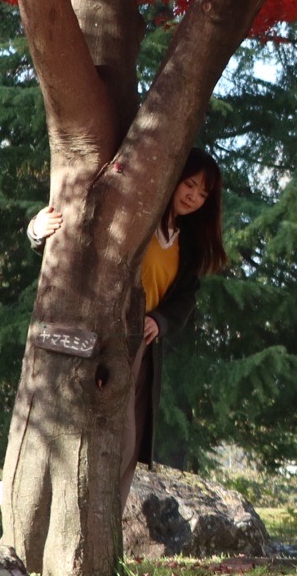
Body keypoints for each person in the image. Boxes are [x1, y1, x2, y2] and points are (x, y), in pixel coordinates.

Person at [20, 149, 227, 494]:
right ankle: (32, 492)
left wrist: (160, 321)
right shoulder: (136, 216)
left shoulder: (187, 243)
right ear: (174, 178)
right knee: (73, 427)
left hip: (139, 347)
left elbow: (185, 297)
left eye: (203, 194)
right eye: (190, 185)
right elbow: (80, 245)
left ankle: (109, 520)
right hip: (97, 333)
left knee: (128, 441)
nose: (194, 197)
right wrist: (36, 231)